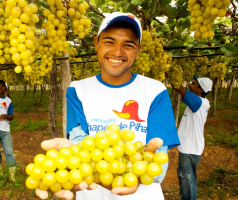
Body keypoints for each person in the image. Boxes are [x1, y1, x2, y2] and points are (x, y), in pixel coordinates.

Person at [36, 12, 180, 200]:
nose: (117, 52)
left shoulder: (155, 91)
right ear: (96, 43)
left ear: (138, 50)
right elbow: (80, 143)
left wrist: (144, 171)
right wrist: (66, 168)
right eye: (109, 42)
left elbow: (159, 163)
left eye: (128, 45)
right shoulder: (77, 90)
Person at [172, 75, 212, 200]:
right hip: (188, 147)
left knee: (187, 179)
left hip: (190, 149)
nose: (190, 84)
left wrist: (169, 73)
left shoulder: (199, 102)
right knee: (185, 178)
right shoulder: (198, 102)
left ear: (201, 90)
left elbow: (178, 88)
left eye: (193, 83)